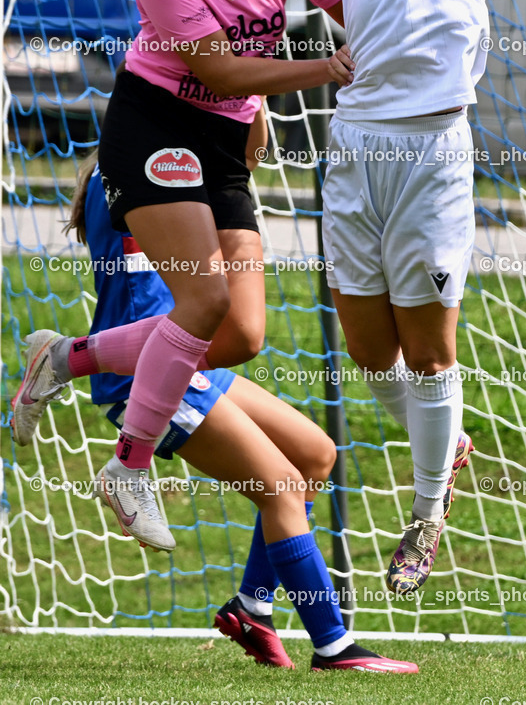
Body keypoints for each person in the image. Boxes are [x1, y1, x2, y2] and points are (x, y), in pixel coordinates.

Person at [11, 0, 354, 555]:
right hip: (155, 128)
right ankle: (130, 468)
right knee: (201, 301)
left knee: (240, 333)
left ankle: (65, 357)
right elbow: (217, 67)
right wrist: (325, 68)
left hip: (226, 135)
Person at [266, 0, 503, 595]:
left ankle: (426, 510)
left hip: (432, 151)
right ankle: (444, 436)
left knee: (430, 349)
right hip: (356, 150)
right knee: (370, 352)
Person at [12, 150, 419, 673]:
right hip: (149, 371)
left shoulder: (157, 158)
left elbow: (245, 150)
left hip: (185, 356)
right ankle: (333, 646)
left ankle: (253, 609)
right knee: (280, 488)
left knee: (315, 453)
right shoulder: (145, 165)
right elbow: (245, 149)